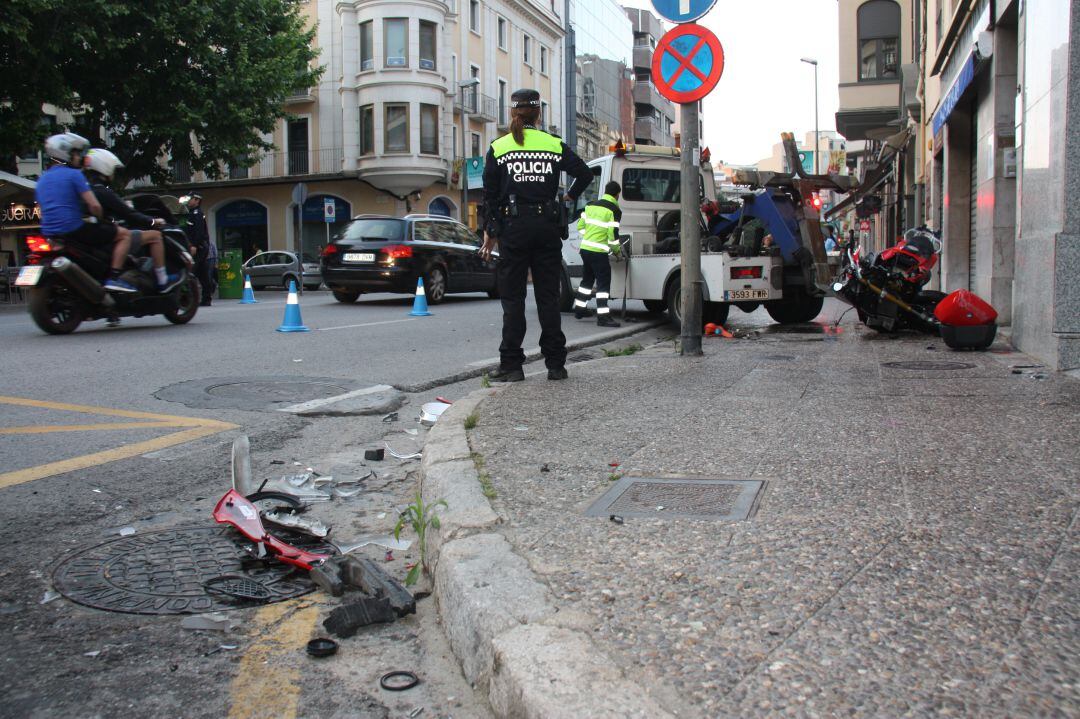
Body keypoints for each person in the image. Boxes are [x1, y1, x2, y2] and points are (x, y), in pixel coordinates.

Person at [479, 88, 592, 382]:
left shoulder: (500, 147)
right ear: (538, 114)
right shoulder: (553, 144)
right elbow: (585, 174)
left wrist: (490, 232)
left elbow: (490, 197)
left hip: (514, 229)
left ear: (512, 113)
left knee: (513, 299)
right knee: (548, 297)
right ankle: (556, 364)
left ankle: (512, 366)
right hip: (546, 227)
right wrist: (569, 197)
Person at [34, 133, 136, 293]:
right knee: (124, 235)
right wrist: (100, 218)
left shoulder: (42, 179)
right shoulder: (75, 175)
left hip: (50, 233)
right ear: (68, 154)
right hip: (74, 229)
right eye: (77, 154)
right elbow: (94, 205)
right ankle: (114, 278)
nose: (79, 158)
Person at [83, 148, 181, 293]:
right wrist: (152, 222)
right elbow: (129, 214)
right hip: (103, 238)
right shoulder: (102, 191)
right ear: (105, 167)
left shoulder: (83, 189)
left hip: (85, 236)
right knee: (155, 236)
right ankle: (162, 280)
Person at [572, 180, 623, 327]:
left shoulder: (591, 205)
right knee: (603, 284)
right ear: (617, 194)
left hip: (585, 249)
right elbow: (613, 236)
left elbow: (580, 226)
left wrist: (589, 237)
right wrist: (617, 252)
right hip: (598, 252)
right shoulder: (614, 210)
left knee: (587, 280)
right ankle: (603, 317)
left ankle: (580, 309)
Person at [183, 194, 213, 305]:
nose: (189, 201)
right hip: (199, 247)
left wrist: (194, 245)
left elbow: (199, 232)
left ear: (197, 200)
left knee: (192, 270)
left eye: (190, 199)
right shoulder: (192, 213)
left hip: (199, 247)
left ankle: (188, 298)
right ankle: (206, 297)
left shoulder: (197, 214)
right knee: (202, 272)